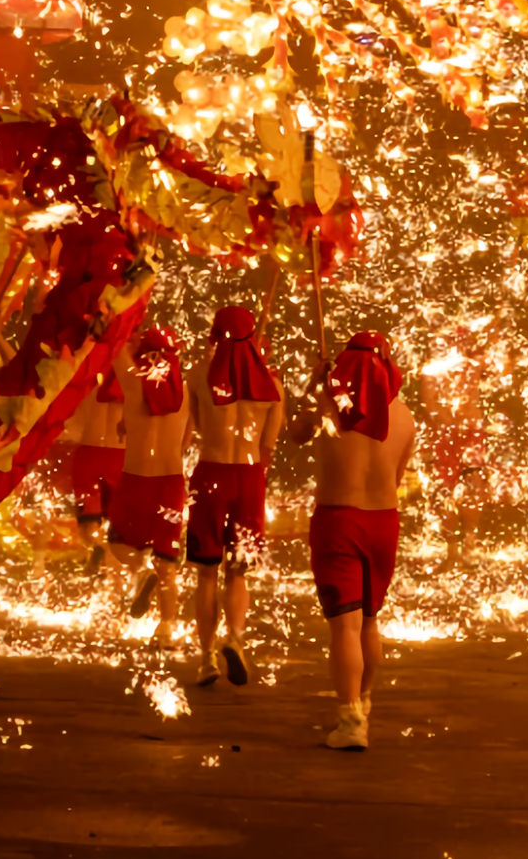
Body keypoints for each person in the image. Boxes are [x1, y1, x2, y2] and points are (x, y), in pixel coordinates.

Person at [291, 331, 414, 751]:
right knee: (369, 621)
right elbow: (396, 479)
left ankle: (350, 722)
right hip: (383, 524)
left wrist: (314, 384)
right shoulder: (405, 416)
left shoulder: (327, 406)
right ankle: (364, 702)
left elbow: (295, 433)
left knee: (344, 626)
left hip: (338, 521)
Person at [186, 306, 284, 688]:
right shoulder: (272, 386)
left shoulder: (197, 376)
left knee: (206, 573)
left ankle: (207, 657)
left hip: (210, 473)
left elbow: (194, 424)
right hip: (249, 477)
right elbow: (268, 448)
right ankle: (236, 641)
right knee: (239, 570)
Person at [107, 326, 191, 648]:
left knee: (121, 549)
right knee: (167, 562)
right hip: (170, 483)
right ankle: (167, 629)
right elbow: (185, 442)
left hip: (135, 480)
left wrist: (117, 322)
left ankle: (142, 573)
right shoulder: (186, 390)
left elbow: (113, 351)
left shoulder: (133, 384)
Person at [421, 319, 492, 569]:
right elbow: (430, 405)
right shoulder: (433, 371)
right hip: (452, 433)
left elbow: (431, 406)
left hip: (463, 432)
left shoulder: (470, 366)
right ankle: (455, 551)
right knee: (449, 490)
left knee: (470, 487)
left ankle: (466, 547)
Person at [68, 369, 124, 574]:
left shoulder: (87, 377)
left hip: (88, 452)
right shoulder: (134, 379)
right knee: (118, 523)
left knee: (87, 522)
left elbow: (70, 418)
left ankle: (97, 546)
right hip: (120, 455)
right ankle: (110, 555)